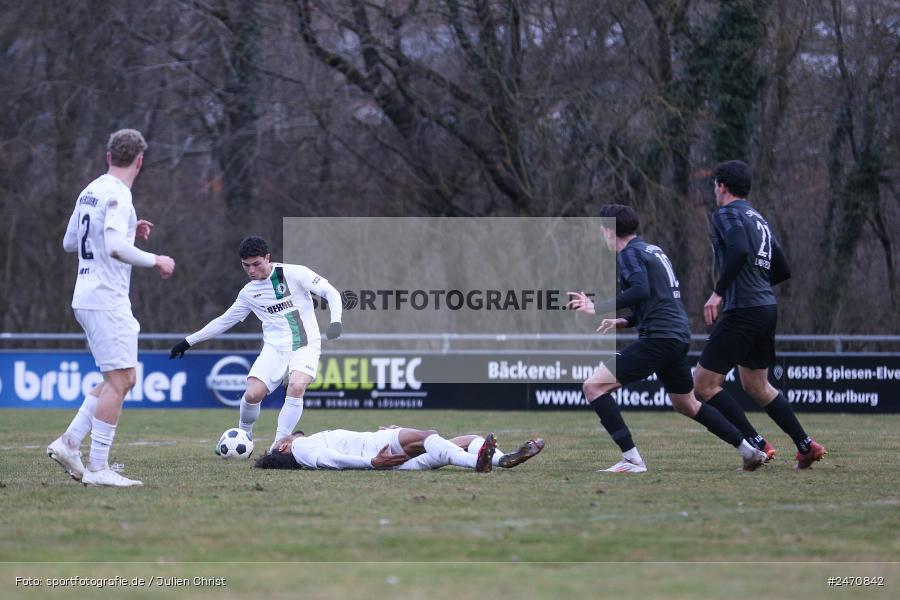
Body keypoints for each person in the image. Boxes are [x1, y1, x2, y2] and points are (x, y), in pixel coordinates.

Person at [567, 204, 768, 473]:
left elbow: (640, 290)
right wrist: (626, 321)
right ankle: (749, 451)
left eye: (603, 230)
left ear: (610, 231)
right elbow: (658, 299)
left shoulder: (628, 255)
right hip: (676, 336)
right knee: (687, 403)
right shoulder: (653, 250)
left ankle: (632, 460)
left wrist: (597, 307)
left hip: (659, 340)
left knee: (593, 387)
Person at [47, 129, 176, 488]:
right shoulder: (119, 195)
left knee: (120, 378)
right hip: (106, 297)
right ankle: (98, 466)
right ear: (140, 160)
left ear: (108, 156)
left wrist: (127, 232)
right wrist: (156, 260)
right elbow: (115, 248)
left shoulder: (90, 190)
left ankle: (69, 442)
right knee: (120, 381)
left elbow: (70, 242)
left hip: (87, 295)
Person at [693, 160, 826, 469]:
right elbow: (782, 269)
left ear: (722, 186)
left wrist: (719, 292)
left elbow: (738, 250)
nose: (714, 190)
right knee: (756, 385)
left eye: (715, 185)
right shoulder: (758, 219)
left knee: (703, 384)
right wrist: (755, 286)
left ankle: (755, 445)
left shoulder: (726, 213)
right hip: (765, 307)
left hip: (744, 310)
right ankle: (805, 446)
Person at [169, 236, 342, 447]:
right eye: (246, 265)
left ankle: (279, 445)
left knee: (296, 386)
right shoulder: (248, 293)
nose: (251, 270)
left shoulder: (294, 273)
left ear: (268, 258)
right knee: (252, 395)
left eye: (256, 264)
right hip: (274, 349)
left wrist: (335, 322)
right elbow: (224, 321)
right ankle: (244, 434)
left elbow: (330, 292)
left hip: (304, 344)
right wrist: (188, 341)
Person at [253, 426, 545, 472]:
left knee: (469, 439)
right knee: (429, 435)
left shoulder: (306, 450)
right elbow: (334, 458)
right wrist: (371, 461)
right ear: (282, 446)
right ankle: (479, 464)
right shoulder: (301, 447)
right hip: (380, 451)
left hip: (393, 461)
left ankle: (500, 460)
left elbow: (335, 452)